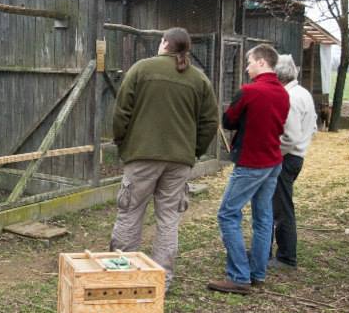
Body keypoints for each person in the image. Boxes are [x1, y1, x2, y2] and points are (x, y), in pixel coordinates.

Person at [110, 27, 219, 292]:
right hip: (179, 160)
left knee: (130, 214)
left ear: (165, 43)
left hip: (142, 156)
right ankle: (162, 281)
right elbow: (210, 121)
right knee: (168, 219)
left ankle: (122, 276)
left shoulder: (141, 69)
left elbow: (121, 112)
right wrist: (193, 151)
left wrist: (123, 143)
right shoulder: (199, 79)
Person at [207, 44, 289, 295]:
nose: (247, 67)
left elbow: (229, 120)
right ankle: (258, 273)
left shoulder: (249, 92)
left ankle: (239, 276)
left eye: (250, 62)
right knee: (263, 218)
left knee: (227, 214)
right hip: (273, 162)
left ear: (262, 63)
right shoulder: (284, 93)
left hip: (251, 163)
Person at [269, 54, 317, 269]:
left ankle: (287, 257)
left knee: (282, 208)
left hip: (286, 158)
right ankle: (268, 251)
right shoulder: (303, 93)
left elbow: (290, 136)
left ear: (278, 75)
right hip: (295, 156)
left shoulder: (290, 98)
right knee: (276, 206)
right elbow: (312, 127)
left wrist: (272, 153)